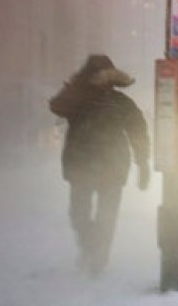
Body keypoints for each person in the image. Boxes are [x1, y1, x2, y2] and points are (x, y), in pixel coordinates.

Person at [49, 54, 151, 273]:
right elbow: (56, 106)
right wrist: (76, 86)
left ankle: (97, 260)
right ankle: (91, 249)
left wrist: (143, 162)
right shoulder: (77, 100)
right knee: (78, 215)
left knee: (106, 218)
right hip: (82, 167)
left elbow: (138, 132)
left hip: (111, 168)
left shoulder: (120, 103)